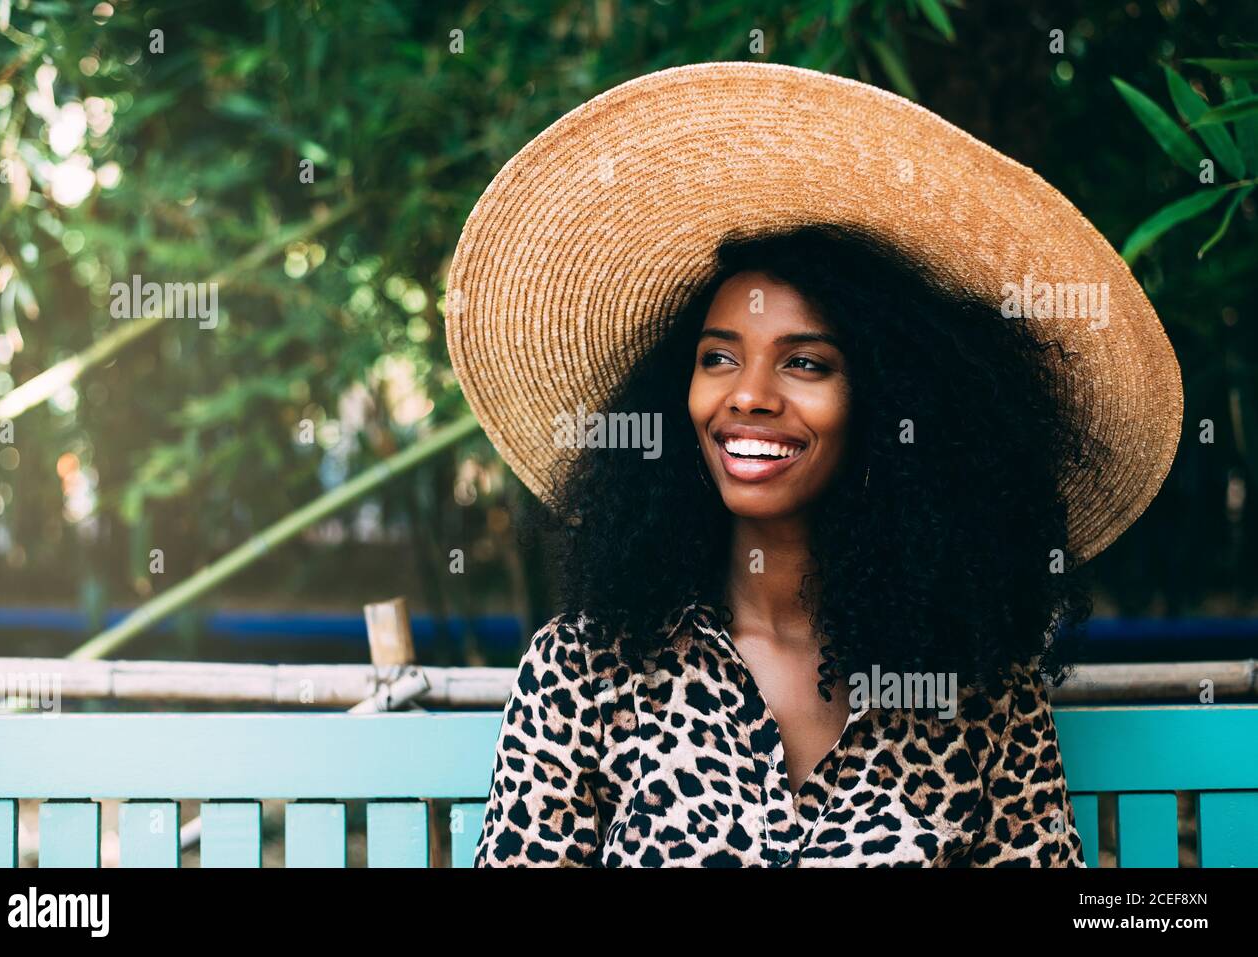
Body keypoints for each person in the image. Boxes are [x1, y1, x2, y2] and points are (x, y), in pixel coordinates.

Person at [444, 63, 1183, 867]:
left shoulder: (979, 682)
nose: (749, 396)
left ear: (892, 406)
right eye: (718, 357)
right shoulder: (585, 670)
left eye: (805, 364)